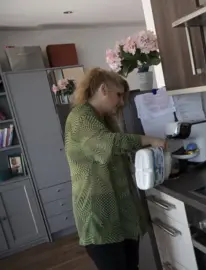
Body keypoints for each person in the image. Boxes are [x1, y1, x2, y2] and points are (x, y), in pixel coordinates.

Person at [64, 68, 165, 270]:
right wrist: (148, 139)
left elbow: (119, 155)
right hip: (100, 214)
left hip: (121, 212)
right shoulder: (81, 117)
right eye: (118, 95)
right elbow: (108, 145)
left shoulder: (103, 118)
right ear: (103, 89)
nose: (121, 102)